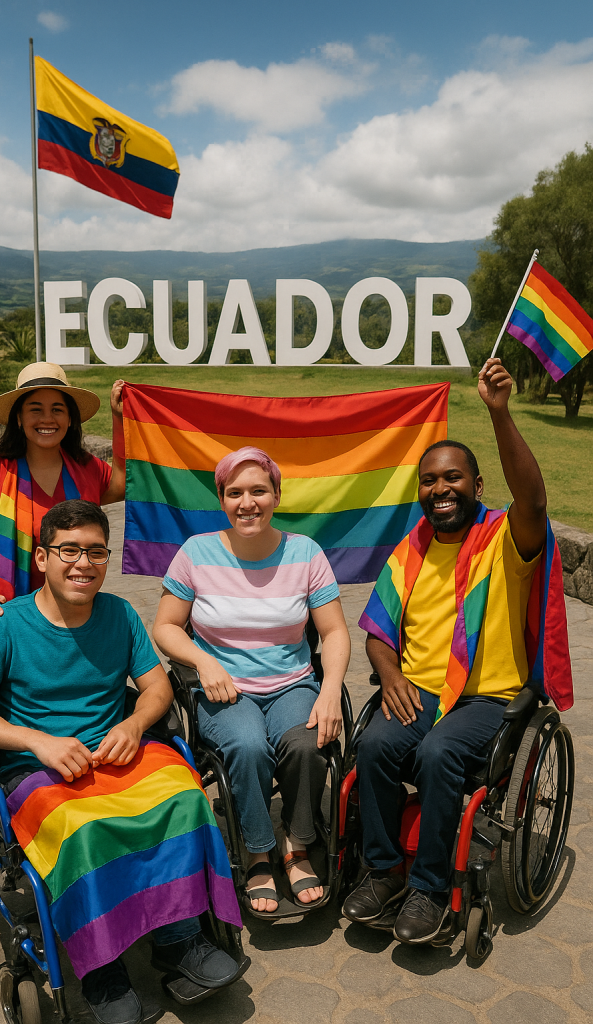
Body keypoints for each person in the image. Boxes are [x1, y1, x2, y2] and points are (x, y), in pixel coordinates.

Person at [0, 499, 245, 1024]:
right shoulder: (5, 625)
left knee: (185, 798)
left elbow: (156, 689)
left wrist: (133, 724)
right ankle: (101, 969)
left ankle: (179, 939)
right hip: (37, 766)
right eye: (68, 551)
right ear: (42, 558)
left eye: (95, 552)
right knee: (85, 830)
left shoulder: (119, 614)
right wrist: (38, 741)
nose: (83, 563)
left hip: (113, 749)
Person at [343, 357, 572, 945]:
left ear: (477, 485)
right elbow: (377, 631)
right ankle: (384, 871)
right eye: (429, 480)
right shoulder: (411, 550)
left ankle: (430, 887)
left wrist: (500, 413)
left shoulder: (503, 539)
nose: (440, 489)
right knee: (374, 745)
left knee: (439, 752)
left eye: (453, 478)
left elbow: (535, 502)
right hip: (419, 689)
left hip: (486, 698)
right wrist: (389, 673)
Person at [153, 447, 351, 914]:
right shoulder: (196, 552)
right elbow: (164, 627)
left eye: (259, 491)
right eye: (235, 492)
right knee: (246, 745)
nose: (247, 503)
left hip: (292, 683)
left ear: (276, 496)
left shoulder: (305, 553)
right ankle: (258, 851)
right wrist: (203, 662)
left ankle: (296, 844)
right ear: (222, 498)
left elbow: (334, 632)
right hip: (223, 687)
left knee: (307, 742)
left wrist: (328, 691)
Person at [0, 361, 126, 629]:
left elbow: (121, 485)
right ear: (19, 417)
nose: (47, 419)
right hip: (0, 618)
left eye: (57, 409)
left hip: (70, 618)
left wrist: (119, 418)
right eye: (35, 409)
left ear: (70, 418)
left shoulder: (87, 468)